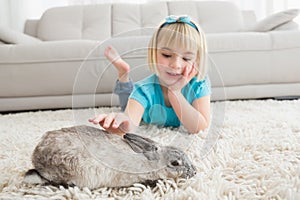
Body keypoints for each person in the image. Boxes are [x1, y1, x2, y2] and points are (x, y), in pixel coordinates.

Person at [89, 15, 211, 134]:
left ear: (197, 60)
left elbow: (200, 127)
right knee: (125, 102)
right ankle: (123, 74)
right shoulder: (143, 90)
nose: (176, 65)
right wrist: (120, 126)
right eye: (167, 55)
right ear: (154, 53)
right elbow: (130, 122)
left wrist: (175, 93)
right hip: (135, 96)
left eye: (186, 58)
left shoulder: (199, 84)